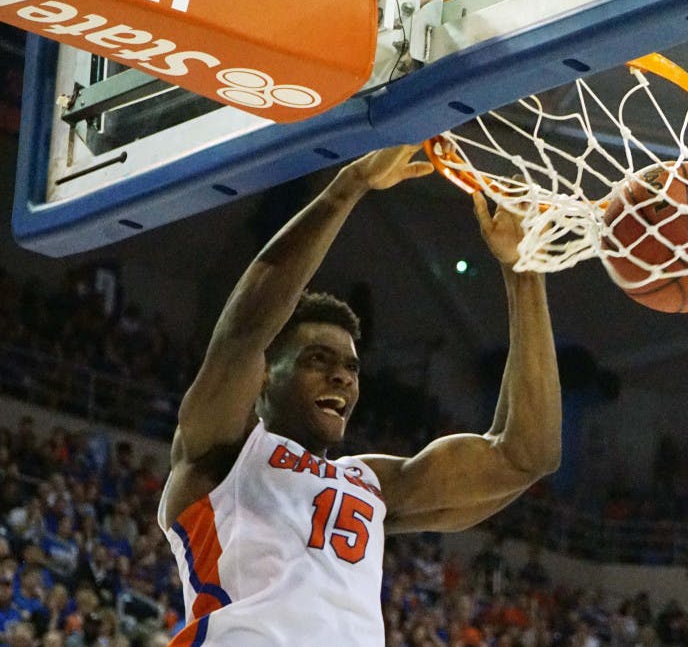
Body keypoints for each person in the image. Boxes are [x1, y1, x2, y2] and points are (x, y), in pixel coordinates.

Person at [157, 145, 562, 645]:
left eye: (351, 367)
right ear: (264, 375)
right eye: (317, 361)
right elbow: (245, 331)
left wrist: (524, 272)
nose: (342, 378)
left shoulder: (370, 484)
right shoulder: (223, 456)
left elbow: (524, 455)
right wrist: (349, 186)